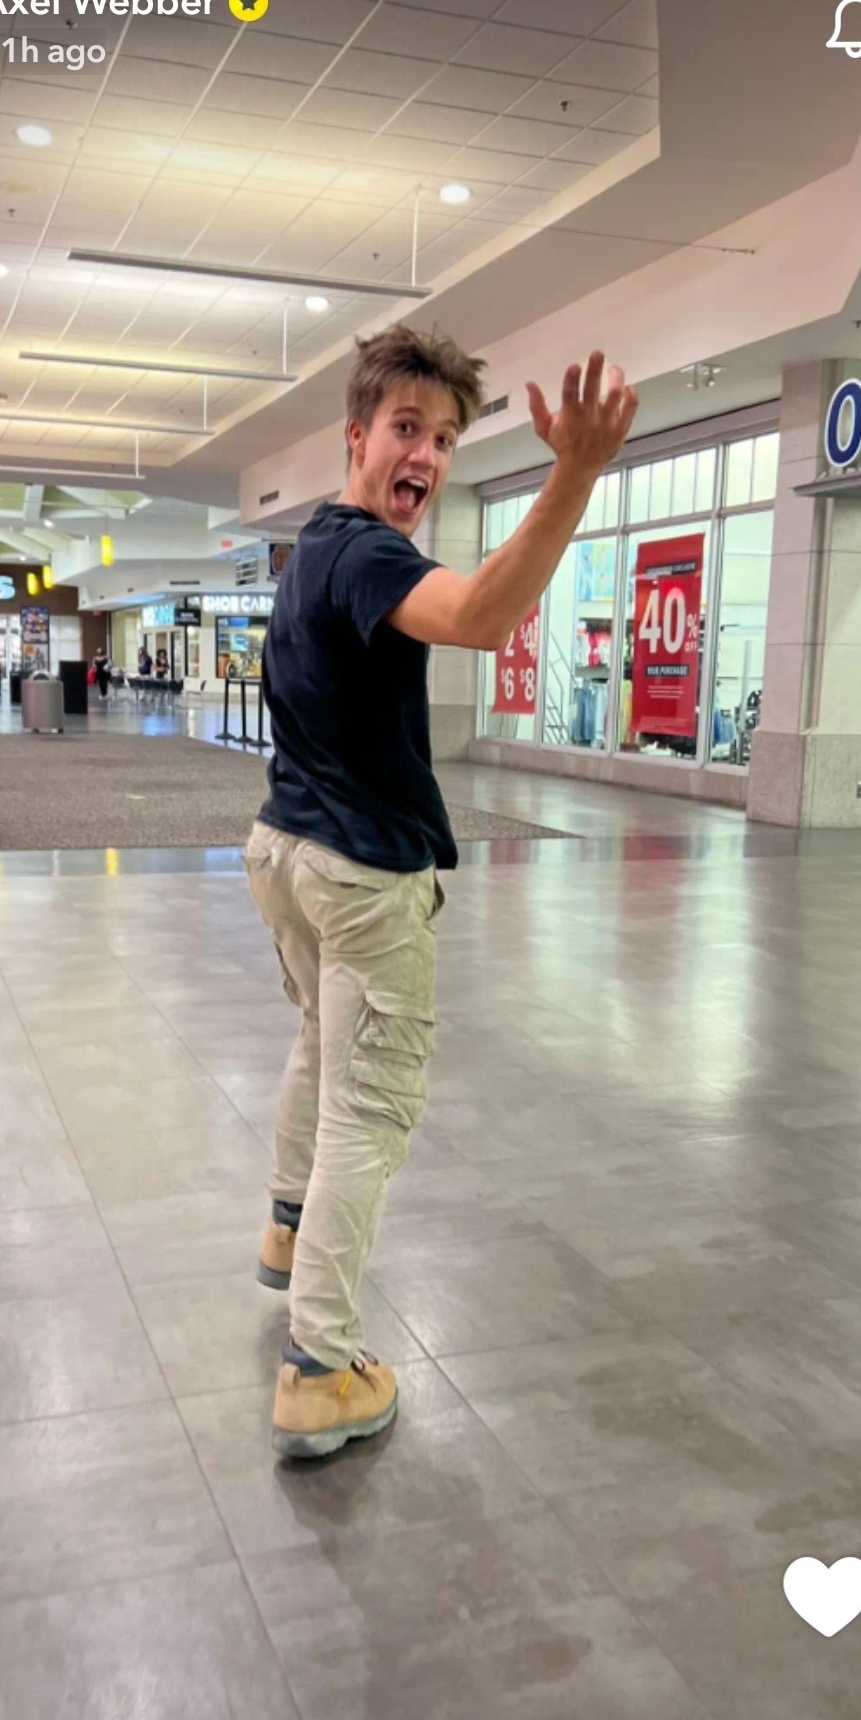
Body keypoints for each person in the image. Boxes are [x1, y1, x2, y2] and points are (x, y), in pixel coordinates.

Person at [246, 324, 637, 1460]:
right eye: (406, 428)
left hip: (289, 850)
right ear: (356, 436)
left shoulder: (313, 551)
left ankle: (286, 1230)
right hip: (360, 871)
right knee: (368, 1110)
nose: (424, 454)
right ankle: (320, 1371)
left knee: (322, 1047)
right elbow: (477, 618)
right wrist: (576, 474)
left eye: (446, 438)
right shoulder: (366, 552)